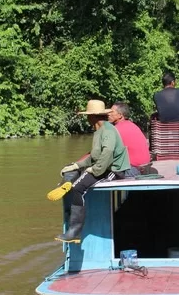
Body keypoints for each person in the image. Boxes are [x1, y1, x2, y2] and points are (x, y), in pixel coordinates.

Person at [52, 100, 135, 244]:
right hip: (104, 166)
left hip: (115, 170)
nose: (86, 118)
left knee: (78, 188)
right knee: (76, 182)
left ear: (92, 117)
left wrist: (94, 170)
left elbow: (107, 154)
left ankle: (74, 232)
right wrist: (76, 165)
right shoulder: (99, 131)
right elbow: (94, 156)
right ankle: (73, 227)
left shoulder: (108, 131)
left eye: (88, 115)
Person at [109, 102, 151, 168]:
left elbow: (105, 152)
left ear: (120, 115)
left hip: (133, 169)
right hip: (145, 166)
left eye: (111, 112)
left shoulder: (115, 129)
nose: (108, 114)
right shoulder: (133, 126)